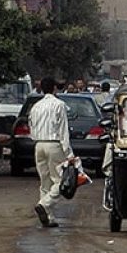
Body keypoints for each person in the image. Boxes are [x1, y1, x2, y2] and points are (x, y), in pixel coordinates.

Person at [29, 77, 75, 228]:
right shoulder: (59, 105)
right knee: (60, 180)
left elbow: (31, 126)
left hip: (38, 144)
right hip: (54, 144)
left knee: (44, 182)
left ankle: (48, 217)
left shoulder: (35, 106)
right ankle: (44, 204)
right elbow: (63, 130)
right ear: (55, 88)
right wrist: (69, 153)